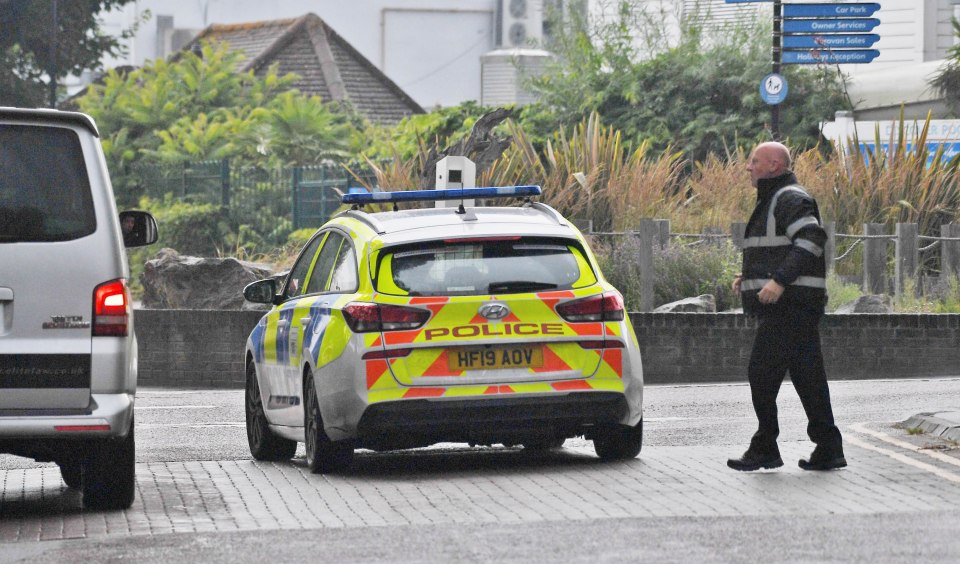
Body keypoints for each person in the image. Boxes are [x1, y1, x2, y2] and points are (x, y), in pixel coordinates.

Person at [727, 141, 846, 472]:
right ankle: (829, 446)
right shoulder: (775, 198)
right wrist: (750, 277)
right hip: (796, 306)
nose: (748, 167)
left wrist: (778, 281)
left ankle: (765, 445)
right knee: (808, 377)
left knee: (760, 372)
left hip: (790, 307)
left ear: (774, 166)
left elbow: (811, 239)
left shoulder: (788, 197)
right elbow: (779, 247)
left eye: (755, 161)